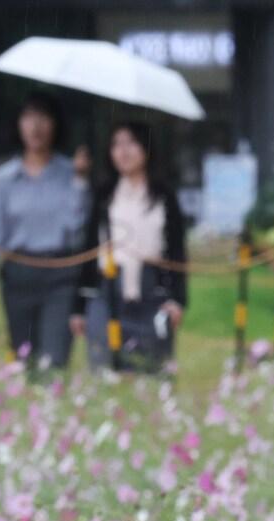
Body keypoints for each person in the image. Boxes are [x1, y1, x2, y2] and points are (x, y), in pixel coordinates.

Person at [0, 93, 90, 369]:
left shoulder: (70, 173)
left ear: (55, 124)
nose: (36, 126)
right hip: (19, 276)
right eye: (28, 117)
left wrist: (81, 182)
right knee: (25, 359)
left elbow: (78, 228)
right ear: (19, 124)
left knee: (53, 360)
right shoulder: (4, 179)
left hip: (60, 276)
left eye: (43, 117)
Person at [73, 122, 185, 373]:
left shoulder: (164, 195)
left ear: (145, 148)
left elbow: (177, 251)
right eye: (117, 144)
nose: (123, 151)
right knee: (104, 367)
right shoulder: (104, 194)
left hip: (152, 288)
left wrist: (177, 299)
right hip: (107, 288)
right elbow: (88, 249)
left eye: (131, 143)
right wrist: (79, 307)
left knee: (151, 368)